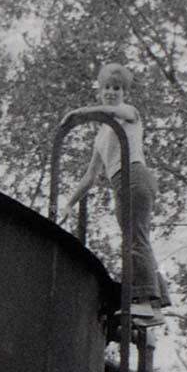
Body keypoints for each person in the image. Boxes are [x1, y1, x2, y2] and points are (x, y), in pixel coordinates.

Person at [61, 62, 170, 326]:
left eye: (117, 88)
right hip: (120, 182)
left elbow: (111, 111)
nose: (112, 92)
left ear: (123, 92)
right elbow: (90, 176)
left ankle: (142, 302)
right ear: (100, 89)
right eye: (107, 87)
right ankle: (155, 305)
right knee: (136, 238)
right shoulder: (101, 135)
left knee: (135, 240)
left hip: (134, 175)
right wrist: (69, 204)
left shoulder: (128, 113)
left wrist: (81, 112)